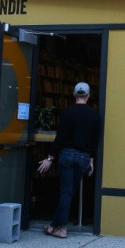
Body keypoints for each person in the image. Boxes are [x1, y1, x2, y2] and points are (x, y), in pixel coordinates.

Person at [37, 81, 101, 238]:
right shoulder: (95, 116)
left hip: (67, 154)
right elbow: (95, 141)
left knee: (65, 192)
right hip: (83, 157)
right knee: (69, 192)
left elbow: (60, 138)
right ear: (89, 96)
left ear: (74, 94)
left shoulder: (66, 113)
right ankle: (53, 226)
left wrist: (50, 157)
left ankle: (62, 228)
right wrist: (91, 161)